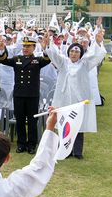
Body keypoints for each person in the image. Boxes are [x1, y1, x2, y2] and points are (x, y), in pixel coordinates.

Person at [45, 30, 107, 159]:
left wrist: (99, 42)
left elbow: (96, 56)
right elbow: (53, 54)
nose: (74, 54)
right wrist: (47, 43)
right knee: (64, 124)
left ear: (80, 54)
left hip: (79, 101)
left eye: (77, 52)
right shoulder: (62, 63)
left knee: (78, 125)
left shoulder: (85, 64)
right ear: (68, 52)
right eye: (72, 51)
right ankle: (64, 150)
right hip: (64, 99)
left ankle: (77, 151)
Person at [0, 36, 51, 154]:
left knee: (32, 121)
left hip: (32, 95)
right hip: (19, 94)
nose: (25, 48)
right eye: (24, 46)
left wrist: (45, 48)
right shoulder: (17, 59)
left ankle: (32, 144)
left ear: (33, 47)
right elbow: (3, 60)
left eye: (28, 46)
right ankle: (21, 144)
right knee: (20, 120)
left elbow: (48, 59)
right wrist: (2, 49)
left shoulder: (37, 60)